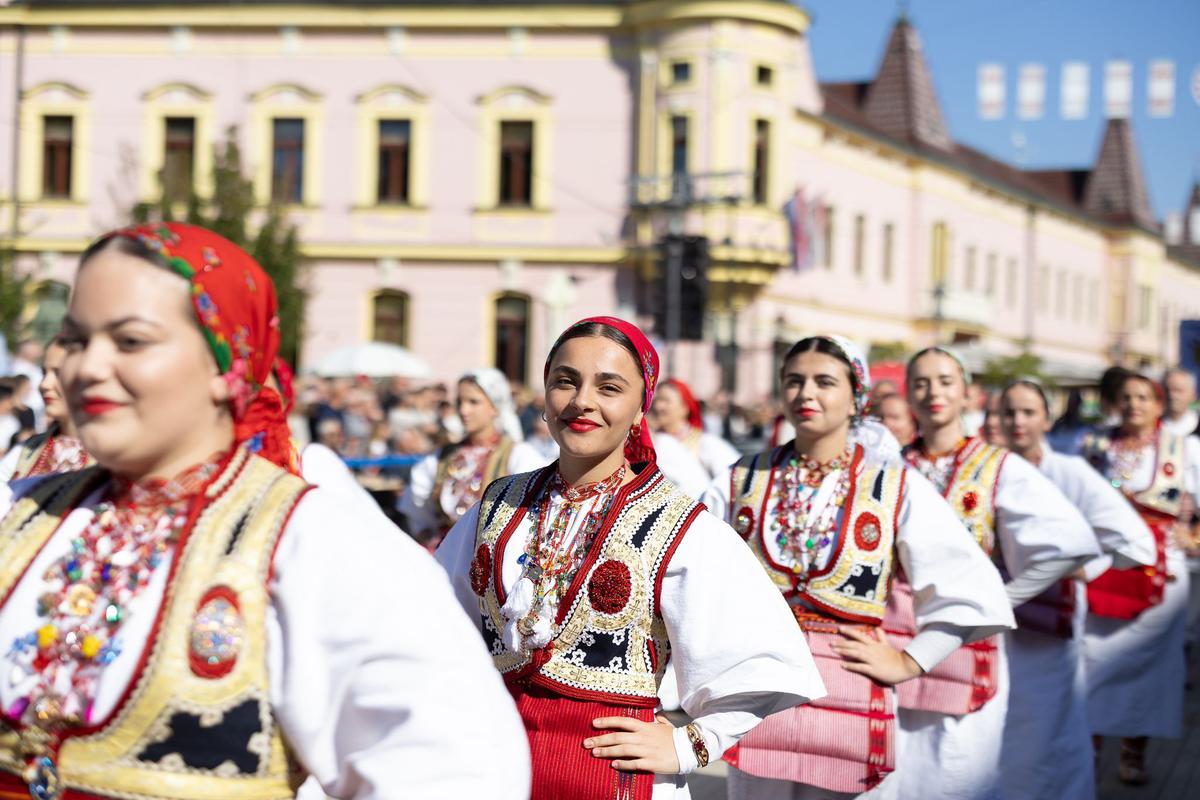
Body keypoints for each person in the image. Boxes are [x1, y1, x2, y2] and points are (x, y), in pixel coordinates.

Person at [0, 222, 529, 798]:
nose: (87, 367)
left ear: (226, 365)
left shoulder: (314, 546)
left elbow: (456, 773)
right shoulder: (22, 512)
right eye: (76, 340)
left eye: (129, 341)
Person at [437, 316, 824, 800]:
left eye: (609, 387)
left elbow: (765, 660)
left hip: (613, 777)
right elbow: (432, 621)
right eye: (565, 380)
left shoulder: (676, 524)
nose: (582, 401)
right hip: (494, 770)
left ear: (642, 407)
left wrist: (692, 745)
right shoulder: (498, 505)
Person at [702, 335, 1015, 799]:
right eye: (794, 381)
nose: (806, 393)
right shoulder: (741, 477)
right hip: (759, 696)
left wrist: (911, 660)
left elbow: (972, 587)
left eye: (824, 381)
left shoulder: (890, 481)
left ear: (856, 397)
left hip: (849, 695)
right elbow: (690, 576)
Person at [896, 347, 1097, 800]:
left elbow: (1072, 541)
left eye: (945, 381)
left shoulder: (995, 465)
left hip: (966, 642)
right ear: (909, 392)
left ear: (968, 393)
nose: (933, 392)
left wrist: (997, 599)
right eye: (922, 382)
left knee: (959, 768)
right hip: (898, 636)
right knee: (903, 766)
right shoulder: (892, 465)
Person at [998, 379, 1156, 800]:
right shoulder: (985, 469)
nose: (1017, 421)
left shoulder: (1070, 472)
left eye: (1028, 412)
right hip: (994, 631)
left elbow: (1134, 541)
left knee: (1051, 731)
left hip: (1050, 631)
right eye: (1008, 412)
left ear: (1047, 419)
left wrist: (1086, 565)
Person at [1079, 371, 1197, 785]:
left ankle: (1133, 753)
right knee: (1091, 663)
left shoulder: (1184, 449)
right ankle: (1088, 752)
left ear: (1159, 404)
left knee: (1148, 668)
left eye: (1144, 397)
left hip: (1161, 574)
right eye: (1127, 397)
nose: (1134, 405)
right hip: (1102, 568)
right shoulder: (1093, 445)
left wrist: (1192, 536)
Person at [400, 367, 546, 550]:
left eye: (473, 402)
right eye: (460, 402)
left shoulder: (517, 455)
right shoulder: (441, 457)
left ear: (495, 406)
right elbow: (419, 513)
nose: (463, 410)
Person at [0, 338, 92, 482]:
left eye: (59, 374)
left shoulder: (111, 462)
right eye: (44, 372)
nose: (44, 384)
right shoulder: (28, 450)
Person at [650, 377, 740, 481]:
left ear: (685, 407)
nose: (658, 406)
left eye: (665, 400)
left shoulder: (706, 444)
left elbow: (734, 477)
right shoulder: (651, 442)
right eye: (656, 400)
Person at [1161, 366, 1199, 436]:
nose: (1171, 395)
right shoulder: (1151, 427)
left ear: (1193, 395)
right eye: (1167, 390)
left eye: (1178, 390)